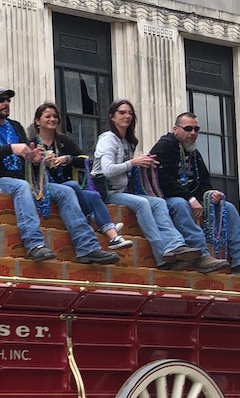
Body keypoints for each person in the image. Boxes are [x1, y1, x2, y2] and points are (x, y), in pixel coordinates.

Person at [0, 85, 118, 264]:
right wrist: (10, 149)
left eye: (8, 100)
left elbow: (27, 158)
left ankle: (87, 247)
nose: (6, 103)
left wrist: (36, 159)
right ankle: (34, 244)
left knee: (66, 190)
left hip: (27, 179)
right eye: (0, 100)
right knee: (21, 186)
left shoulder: (15, 126)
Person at [91, 100, 218, 272]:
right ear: (112, 117)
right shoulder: (108, 139)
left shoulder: (128, 141)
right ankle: (161, 254)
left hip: (123, 191)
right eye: (122, 113)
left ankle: (175, 245)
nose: (127, 116)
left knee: (158, 202)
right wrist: (134, 162)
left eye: (130, 113)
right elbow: (107, 170)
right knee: (143, 203)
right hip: (106, 192)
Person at [150, 112, 240, 277]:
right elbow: (164, 181)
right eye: (188, 128)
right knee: (180, 204)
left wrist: (210, 195)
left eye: (196, 129)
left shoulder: (194, 153)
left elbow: (204, 182)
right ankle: (202, 256)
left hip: (191, 199)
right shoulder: (164, 147)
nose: (193, 133)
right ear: (175, 129)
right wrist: (191, 198)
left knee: (227, 207)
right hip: (165, 199)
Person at [28, 102, 131, 250]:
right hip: (43, 186)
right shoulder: (32, 143)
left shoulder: (63, 141)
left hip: (66, 184)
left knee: (92, 196)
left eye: (55, 116)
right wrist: (41, 162)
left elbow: (85, 159)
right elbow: (26, 168)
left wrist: (67, 159)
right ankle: (96, 221)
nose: (52, 119)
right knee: (73, 186)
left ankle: (114, 237)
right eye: (48, 116)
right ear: (38, 121)